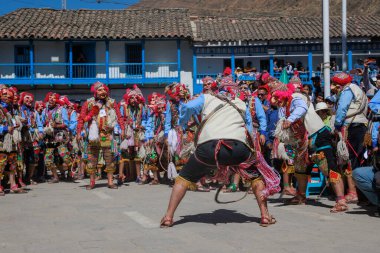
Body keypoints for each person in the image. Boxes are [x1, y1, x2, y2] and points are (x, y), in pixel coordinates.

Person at [160, 91, 280, 228]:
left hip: (208, 148)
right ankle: (265, 216)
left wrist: (181, 123)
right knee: (256, 178)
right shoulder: (240, 103)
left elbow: (187, 107)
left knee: (183, 179)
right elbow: (248, 128)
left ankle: (168, 217)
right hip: (238, 148)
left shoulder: (207, 97)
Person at [270, 78, 347, 211]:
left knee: (329, 167)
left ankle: (341, 201)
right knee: (301, 169)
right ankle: (301, 196)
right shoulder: (287, 106)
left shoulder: (297, 97)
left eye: (277, 98)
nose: (276, 102)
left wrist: (290, 120)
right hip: (303, 142)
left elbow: (302, 108)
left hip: (318, 136)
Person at [77, 81, 125, 190]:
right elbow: (82, 118)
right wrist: (79, 131)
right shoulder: (89, 103)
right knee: (92, 159)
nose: (103, 92)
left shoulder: (112, 102)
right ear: (95, 92)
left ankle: (110, 181)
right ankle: (92, 182)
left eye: (104, 90)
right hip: (93, 136)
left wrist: (122, 129)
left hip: (107, 134)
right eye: (100, 90)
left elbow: (119, 117)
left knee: (109, 159)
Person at [334, 72, 368, 203]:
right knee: (359, 158)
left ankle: (353, 192)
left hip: (351, 126)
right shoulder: (359, 90)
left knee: (350, 159)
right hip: (361, 125)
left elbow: (342, 108)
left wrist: (337, 124)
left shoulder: (348, 90)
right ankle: (361, 193)